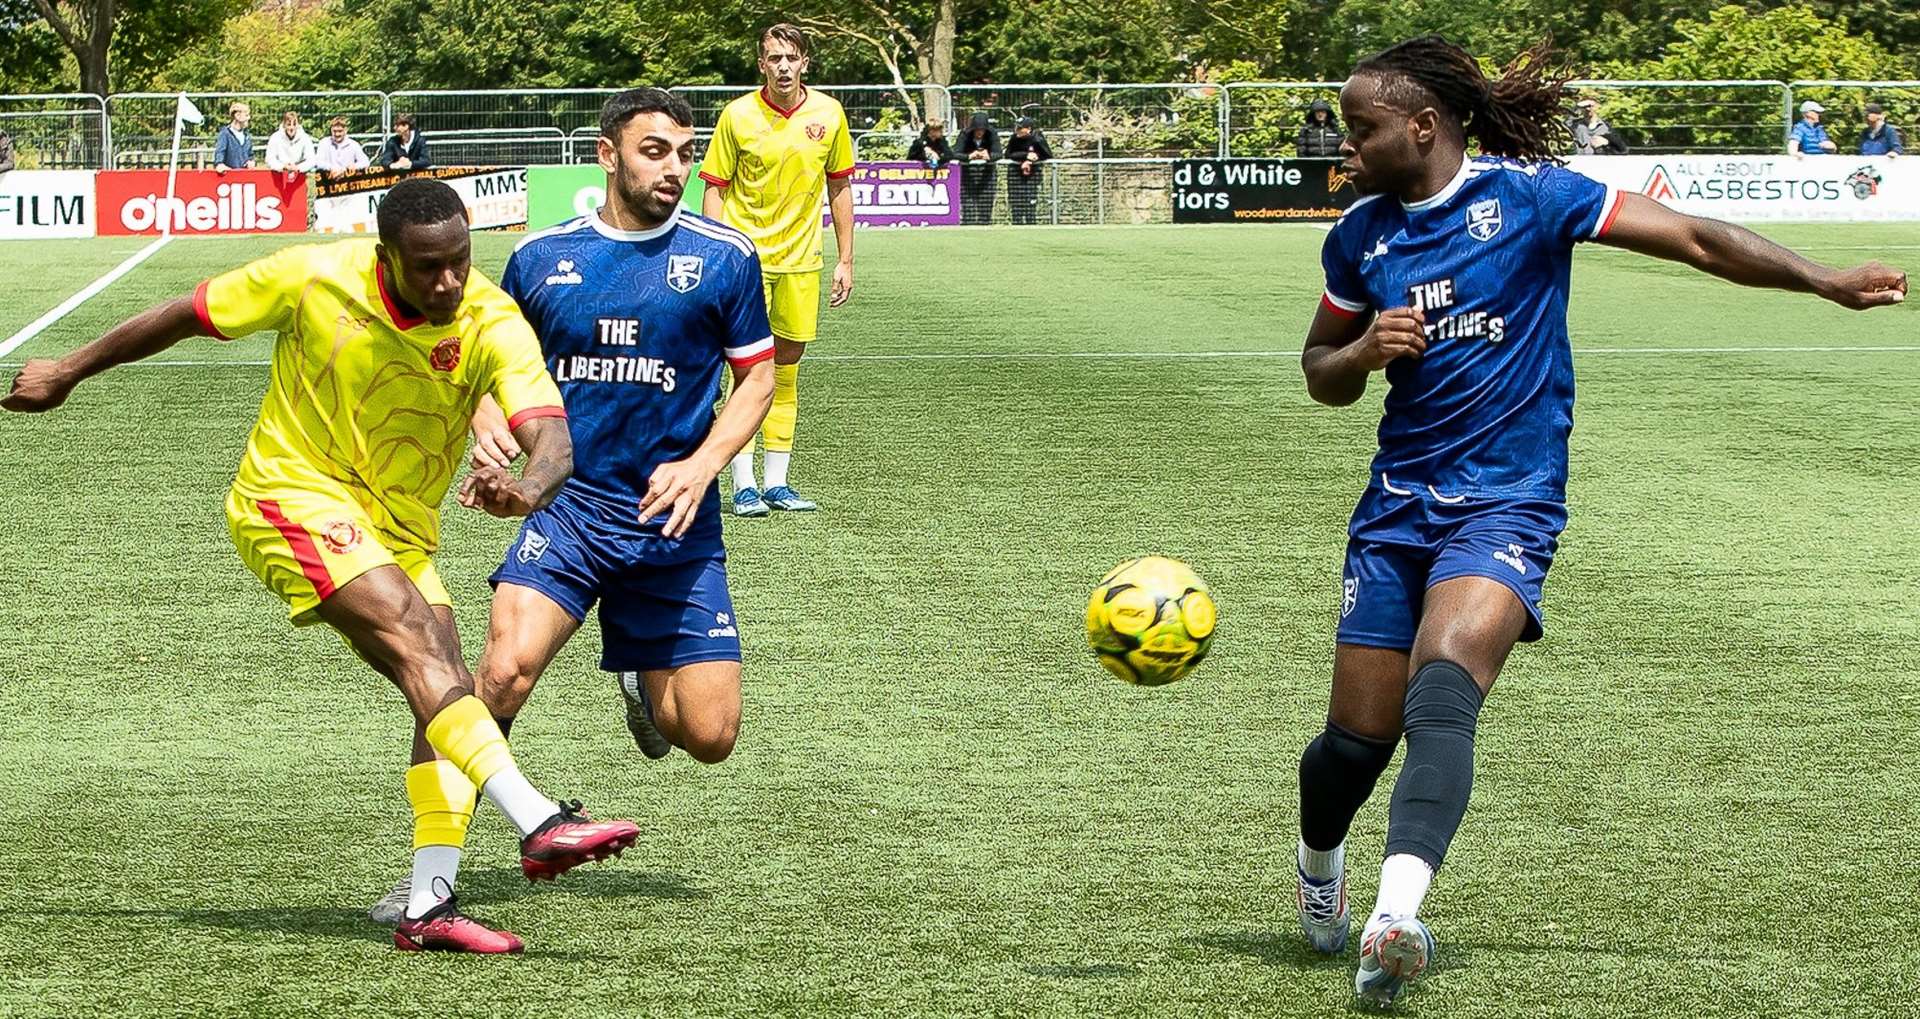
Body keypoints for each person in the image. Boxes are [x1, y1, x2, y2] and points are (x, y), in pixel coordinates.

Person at [1295, 34, 1906, 1006]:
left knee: (1443, 693)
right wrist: (1364, 351)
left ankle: (1396, 915)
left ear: (1423, 126)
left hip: (1509, 500)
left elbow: (1699, 238)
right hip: (1396, 507)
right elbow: (1318, 372)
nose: (1345, 144)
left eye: (1360, 127)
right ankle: (1318, 866)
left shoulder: (1536, 198)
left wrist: (1821, 279)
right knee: (1354, 746)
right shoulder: (1360, 236)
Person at [1, 177, 648, 955]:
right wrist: (69, 368)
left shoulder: (488, 316)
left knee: (441, 682)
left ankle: (429, 905)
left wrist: (526, 489)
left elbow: (553, 438)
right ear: (386, 256)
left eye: (459, 261)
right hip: (290, 493)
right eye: (427, 267)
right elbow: (183, 314)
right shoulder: (313, 276)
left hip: (400, 528)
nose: (448, 282)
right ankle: (540, 820)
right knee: (418, 640)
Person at [366, 88, 776, 929]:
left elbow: (758, 377)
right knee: (496, 674)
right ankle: (429, 881)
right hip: (571, 510)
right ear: (608, 153)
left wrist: (703, 466)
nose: (674, 167)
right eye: (655, 150)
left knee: (709, 734)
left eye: (684, 152)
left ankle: (637, 672)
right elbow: (482, 364)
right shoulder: (541, 257)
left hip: (673, 525)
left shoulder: (727, 257)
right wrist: (488, 434)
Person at [699, 23, 855, 517]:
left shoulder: (829, 114)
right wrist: (715, 254)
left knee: (786, 370)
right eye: (774, 58)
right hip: (746, 263)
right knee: (746, 371)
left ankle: (778, 483)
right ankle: (742, 484)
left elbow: (840, 187)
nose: (783, 66)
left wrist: (846, 258)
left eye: (791, 57)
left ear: (804, 62)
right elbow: (715, 188)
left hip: (802, 263)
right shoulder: (738, 115)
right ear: (761, 64)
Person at [1003, 117, 1052, 225]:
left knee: (1030, 203)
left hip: (1032, 176)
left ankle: (1031, 224)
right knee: (1016, 204)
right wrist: (1025, 156)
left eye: (1020, 128)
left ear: (1029, 129)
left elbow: (1047, 154)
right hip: (1015, 175)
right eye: (1016, 127)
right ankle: (1017, 224)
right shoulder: (1014, 138)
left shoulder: (1037, 138)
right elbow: (1008, 154)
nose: (1017, 130)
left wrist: (1033, 159)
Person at [958, 112, 1000, 225]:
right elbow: (955, 153)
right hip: (968, 177)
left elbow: (999, 153)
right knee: (969, 210)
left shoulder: (992, 134)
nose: (979, 132)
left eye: (982, 130)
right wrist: (969, 156)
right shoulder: (964, 134)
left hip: (987, 176)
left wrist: (989, 156)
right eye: (977, 130)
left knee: (985, 208)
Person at [264, 111, 317, 185]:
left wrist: (298, 168)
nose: (291, 128)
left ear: (298, 125)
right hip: (278, 175)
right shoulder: (275, 137)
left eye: (294, 124)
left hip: (300, 175)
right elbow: (269, 159)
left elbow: (311, 160)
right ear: (284, 125)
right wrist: (282, 167)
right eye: (289, 124)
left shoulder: (305, 138)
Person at [213, 101, 253, 173]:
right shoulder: (225, 134)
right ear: (237, 116)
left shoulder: (247, 136)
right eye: (246, 115)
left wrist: (251, 162)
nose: (249, 118)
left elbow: (250, 155)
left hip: (245, 177)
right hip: (229, 179)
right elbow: (220, 153)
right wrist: (220, 164)